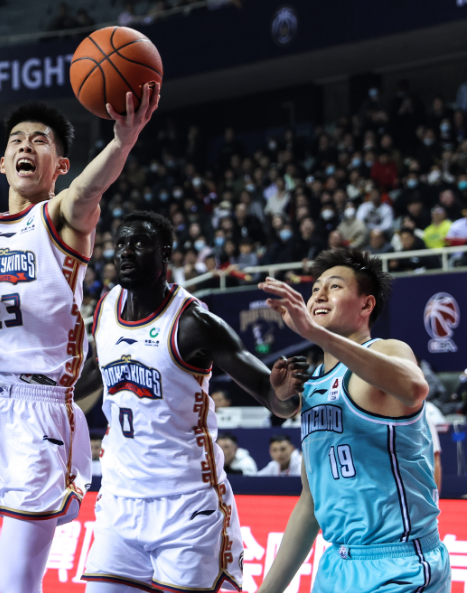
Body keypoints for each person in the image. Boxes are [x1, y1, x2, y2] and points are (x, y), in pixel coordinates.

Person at [0, 87, 160, 593]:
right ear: (3, 163)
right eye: (17, 139)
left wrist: (122, 142)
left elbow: (88, 189)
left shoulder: (62, 216)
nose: (26, 145)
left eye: (40, 140)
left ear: (60, 164)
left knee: (16, 583)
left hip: (40, 409)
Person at [78, 211, 306, 592]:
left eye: (140, 243)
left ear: (165, 253)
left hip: (186, 506)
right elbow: (97, 367)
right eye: (121, 244)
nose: (126, 252)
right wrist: (54, 391)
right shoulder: (106, 306)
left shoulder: (194, 322)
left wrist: (283, 394)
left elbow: (273, 398)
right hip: (120, 501)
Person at [258, 249, 451, 593]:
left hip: (400, 565)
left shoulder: (388, 350)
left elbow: (414, 387)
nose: (319, 295)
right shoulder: (312, 386)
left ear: (366, 305)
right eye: (315, 288)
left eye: (334, 286)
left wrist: (316, 334)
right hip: (337, 565)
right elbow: (310, 503)